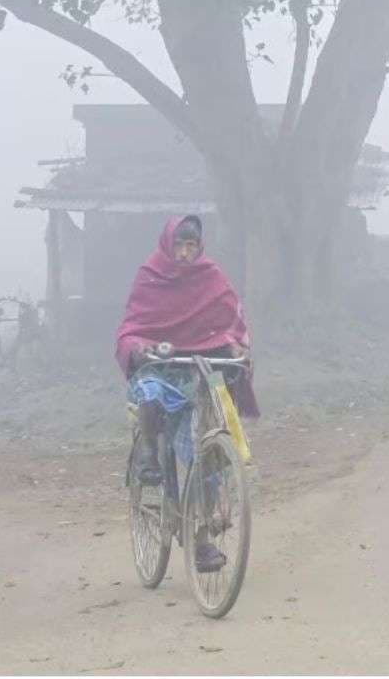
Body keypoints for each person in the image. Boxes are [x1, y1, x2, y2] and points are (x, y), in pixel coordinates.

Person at [115, 214, 260, 572]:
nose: (184, 253)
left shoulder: (211, 277)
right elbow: (132, 326)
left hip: (197, 374)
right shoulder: (150, 276)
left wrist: (235, 346)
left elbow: (230, 323)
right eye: (179, 244)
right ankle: (148, 459)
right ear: (168, 244)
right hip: (160, 369)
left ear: (199, 246)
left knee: (206, 455)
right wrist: (139, 348)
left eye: (190, 245)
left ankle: (202, 539)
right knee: (150, 398)